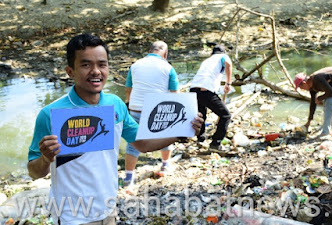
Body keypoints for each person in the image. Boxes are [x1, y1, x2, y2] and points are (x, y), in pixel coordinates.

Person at [27, 33, 203, 225]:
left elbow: (142, 143)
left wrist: (181, 132)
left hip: (108, 207)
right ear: (70, 71)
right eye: (86, 65)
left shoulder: (116, 105)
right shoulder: (50, 114)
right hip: (71, 214)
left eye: (102, 64)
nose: (96, 71)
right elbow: (35, 172)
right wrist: (46, 158)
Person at [124, 41, 179, 187]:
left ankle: (129, 177)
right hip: (157, 108)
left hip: (135, 108)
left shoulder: (135, 65)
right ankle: (165, 164)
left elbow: (128, 89)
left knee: (132, 143)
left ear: (150, 51)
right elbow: (175, 94)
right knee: (164, 137)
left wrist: (130, 104)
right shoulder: (168, 68)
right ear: (165, 54)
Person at [189, 44, 232, 150]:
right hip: (206, 89)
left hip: (193, 89)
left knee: (201, 114)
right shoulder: (223, 56)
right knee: (225, 116)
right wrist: (228, 83)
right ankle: (215, 143)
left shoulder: (207, 60)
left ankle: (201, 138)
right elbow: (228, 64)